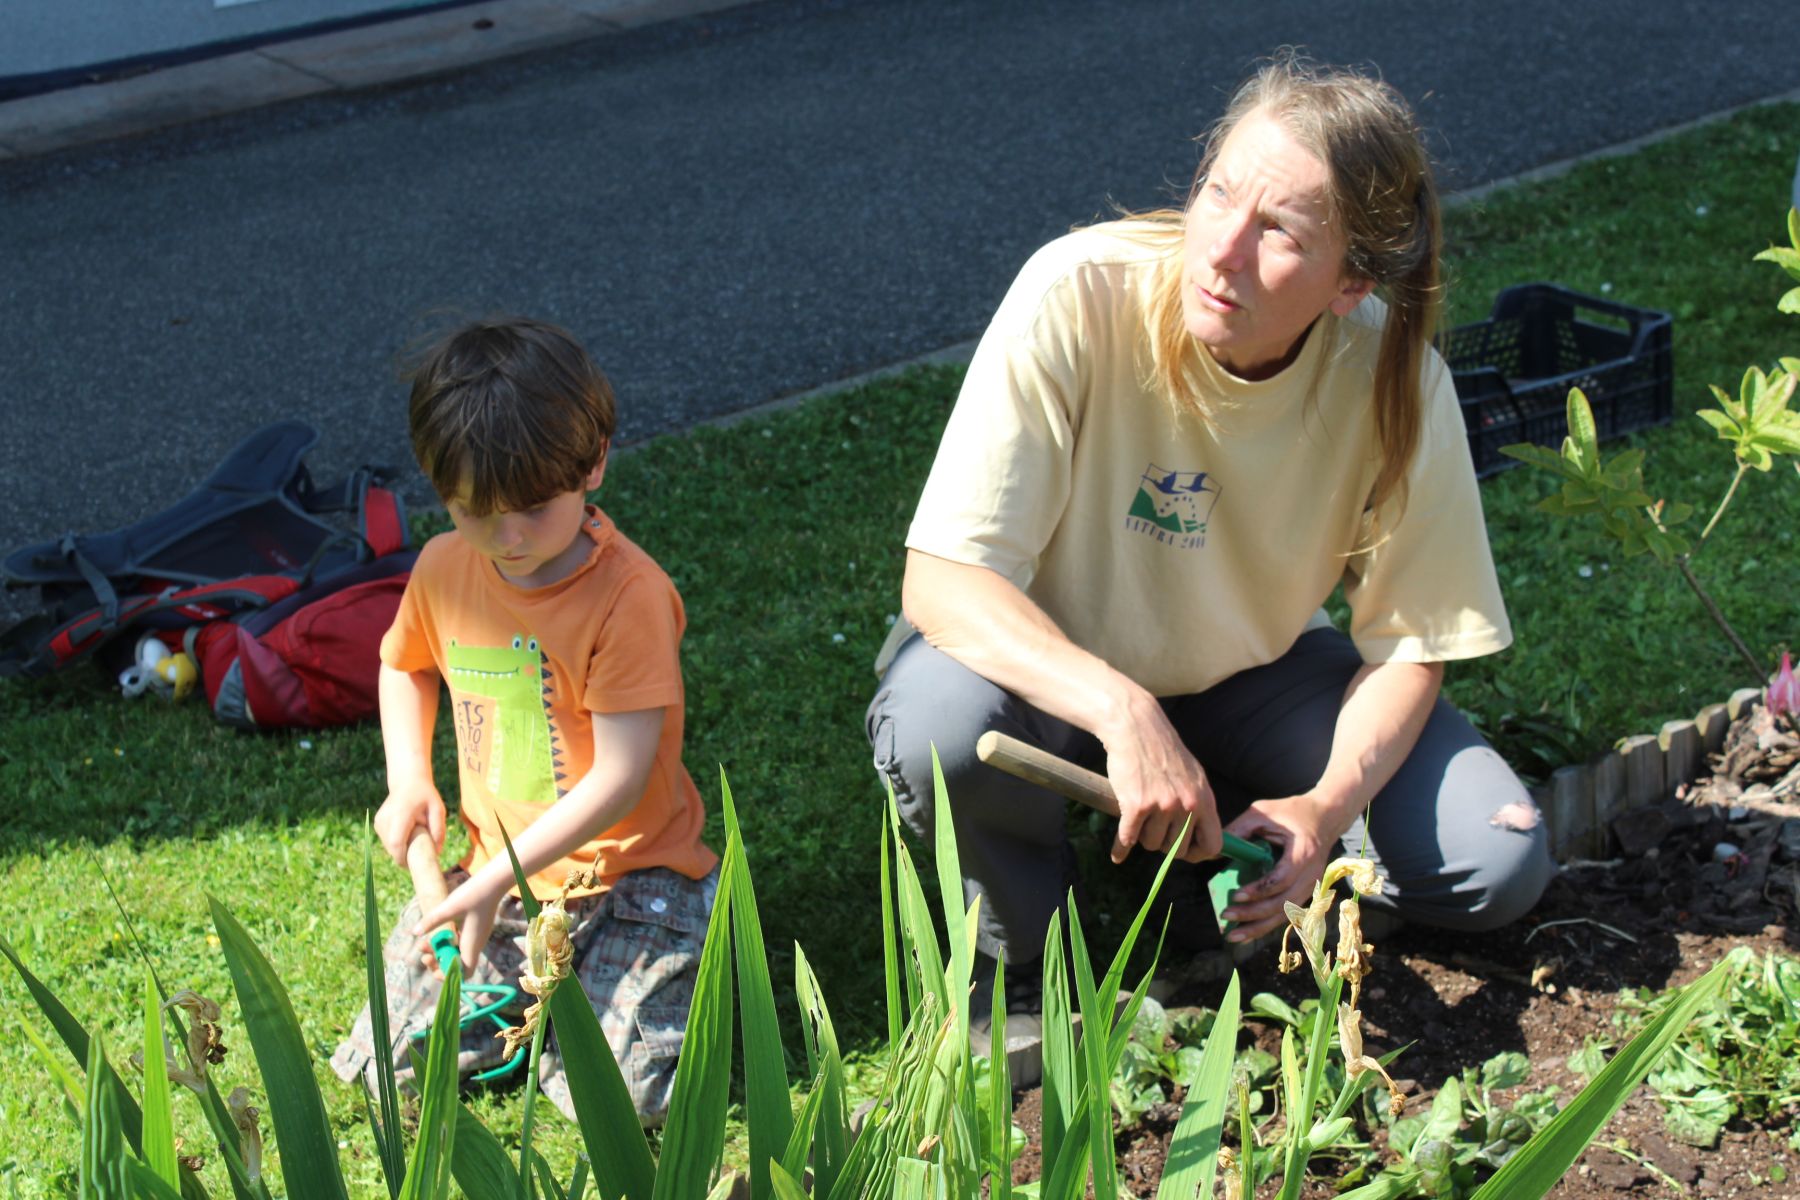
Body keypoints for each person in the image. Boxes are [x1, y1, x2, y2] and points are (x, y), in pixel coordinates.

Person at [866, 55, 1554, 1016]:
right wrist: (1122, 710)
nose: (1223, 250)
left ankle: (1215, 861)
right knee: (943, 727)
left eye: (1280, 232)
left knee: (1494, 857)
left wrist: (1324, 809)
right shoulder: (1077, 292)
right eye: (1219, 193)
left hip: (1247, 673)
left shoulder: (1394, 377)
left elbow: (1412, 645)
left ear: (1351, 281)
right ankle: (1027, 956)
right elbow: (945, 582)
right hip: (1047, 676)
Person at [331, 317, 718, 1126]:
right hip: (497, 883)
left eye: (536, 509)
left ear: (593, 462)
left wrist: (491, 883)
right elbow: (404, 665)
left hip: (629, 881)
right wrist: (410, 780)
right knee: (383, 1067)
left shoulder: (627, 597)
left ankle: (604, 991)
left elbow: (619, 779)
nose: (507, 538)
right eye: (475, 511)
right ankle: (543, 1006)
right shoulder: (445, 567)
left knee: (623, 1103)